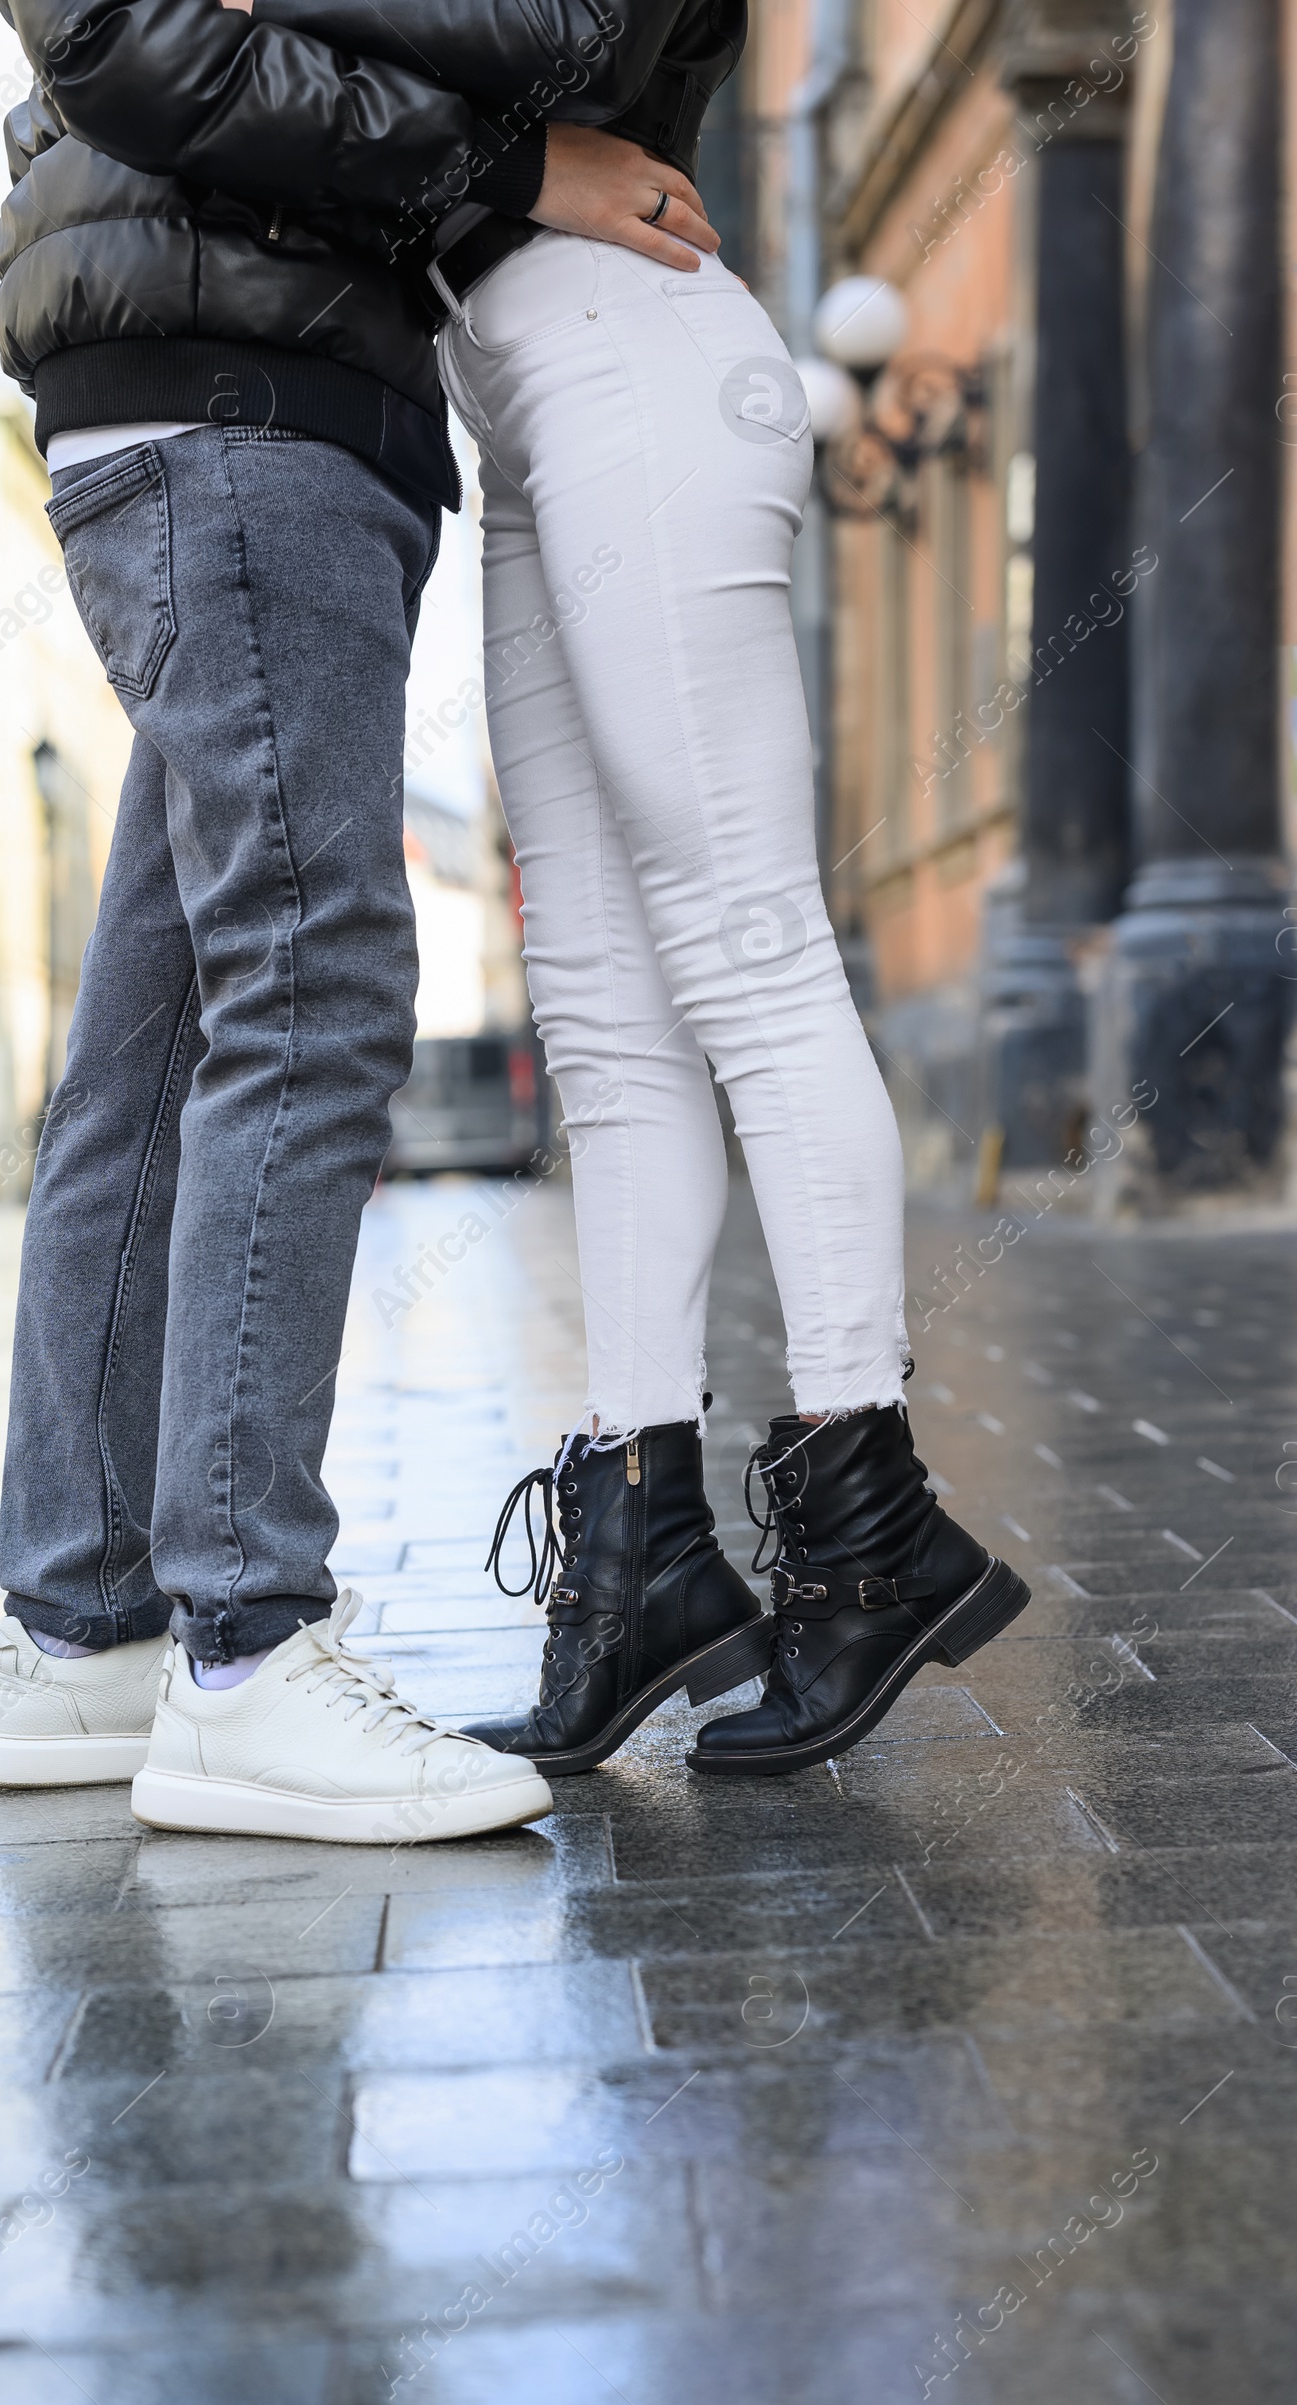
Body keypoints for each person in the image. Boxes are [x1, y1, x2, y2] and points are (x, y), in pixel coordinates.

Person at [241, 0, 1032, 1779]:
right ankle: (643, 1548)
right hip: (519, 380)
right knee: (599, 1008)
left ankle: (867, 1523)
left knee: (746, 947)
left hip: (637, 352)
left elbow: (574, 22)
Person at [0, 0, 690, 1840]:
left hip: (240, 386)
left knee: (168, 1033)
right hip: (235, 403)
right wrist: (520, 162)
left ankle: (90, 1632)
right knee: (314, 991)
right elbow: (131, 40)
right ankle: (243, 1651)